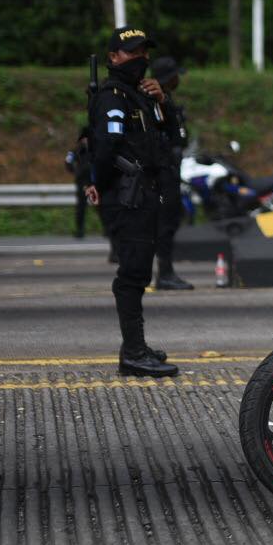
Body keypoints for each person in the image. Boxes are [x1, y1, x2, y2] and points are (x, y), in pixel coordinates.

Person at [87, 26, 178, 378]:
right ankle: (133, 352)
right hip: (127, 196)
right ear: (113, 57)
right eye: (133, 52)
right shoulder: (113, 96)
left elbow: (170, 137)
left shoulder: (141, 95)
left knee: (139, 272)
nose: (141, 58)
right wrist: (99, 185)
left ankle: (136, 347)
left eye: (144, 52)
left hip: (145, 193)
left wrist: (162, 102)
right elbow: (105, 148)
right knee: (132, 274)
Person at [149, 56, 193, 290]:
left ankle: (166, 271)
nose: (179, 79)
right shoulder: (154, 102)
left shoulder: (166, 100)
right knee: (164, 223)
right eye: (175, 75)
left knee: (170, 221)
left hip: (170, 169)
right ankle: (164, 273)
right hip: (162, 172)